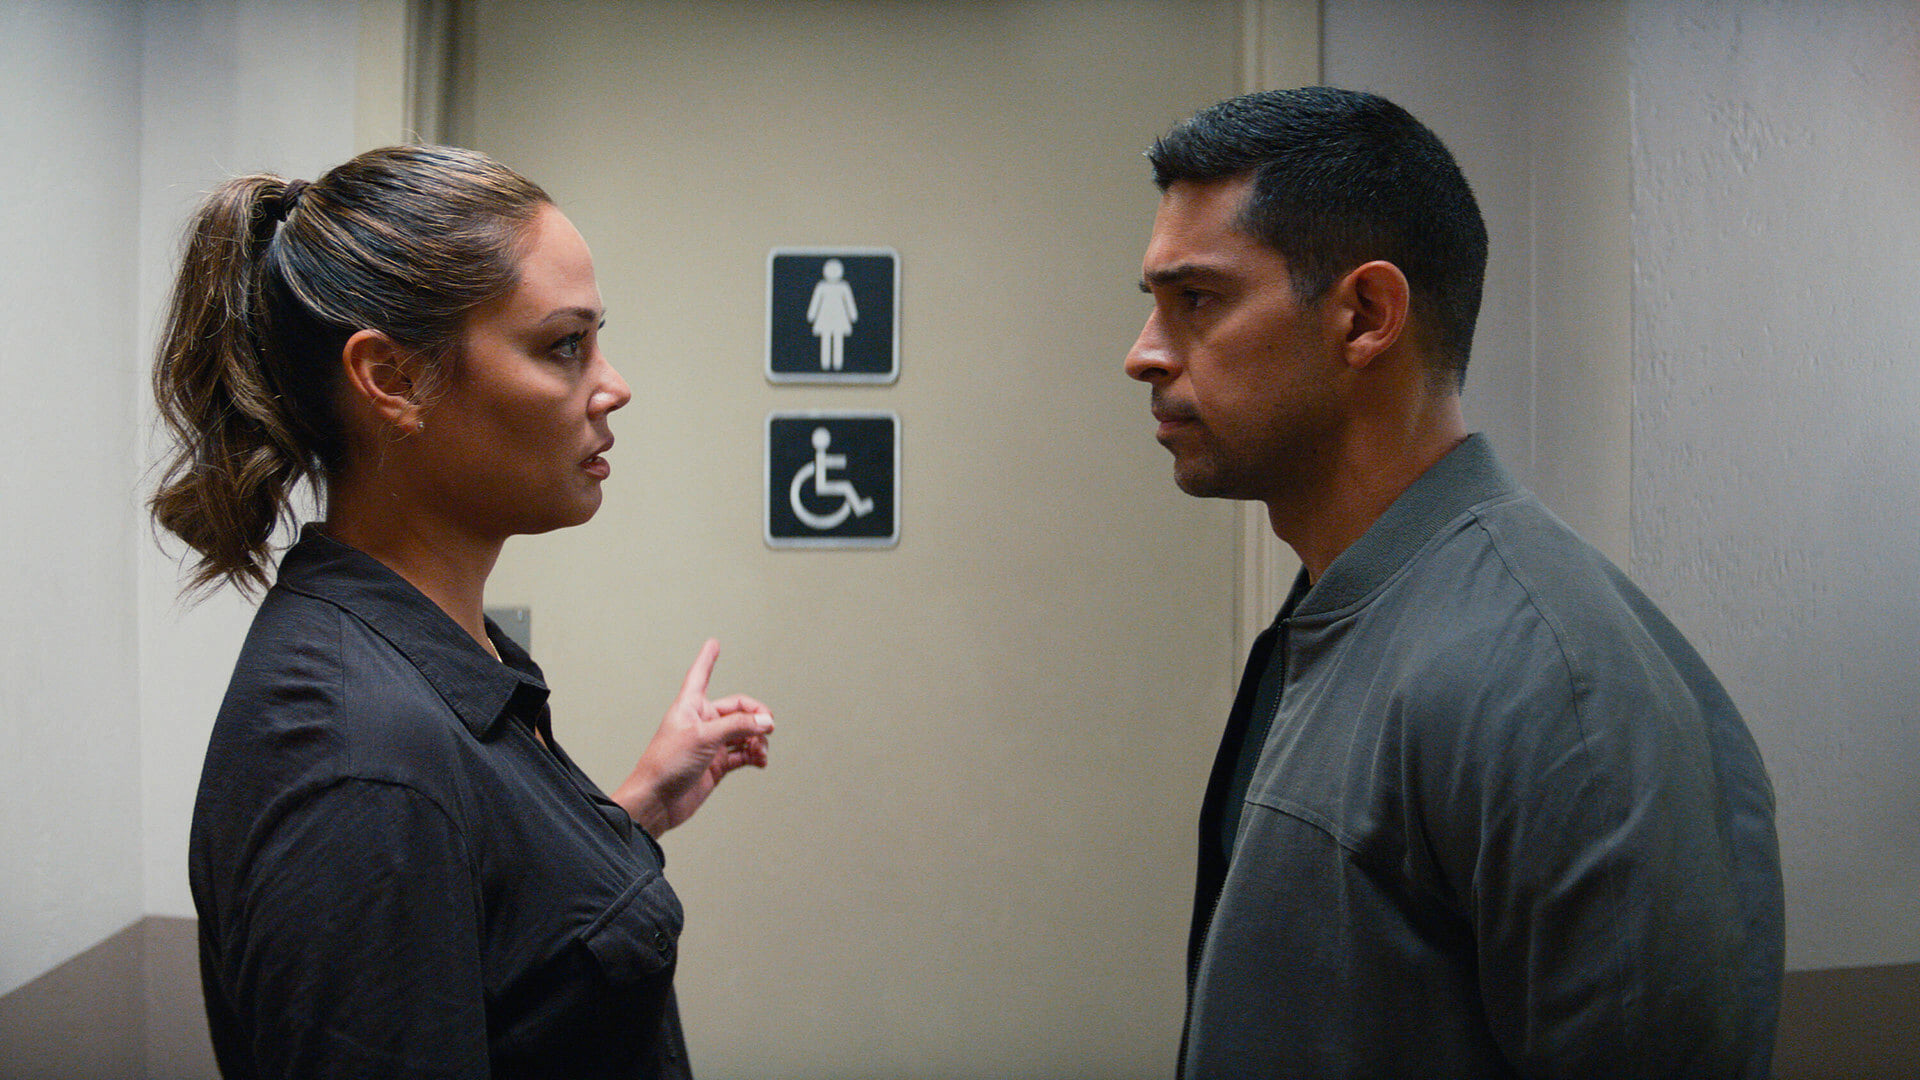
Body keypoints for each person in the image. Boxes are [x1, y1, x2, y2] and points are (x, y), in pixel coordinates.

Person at [1124, 87, 1784, 1079]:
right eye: (1154, 303)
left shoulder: (1556, 685)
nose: (1144, 354)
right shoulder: (1343, 613)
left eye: (1198, 301)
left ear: (1365, 316)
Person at [150, 144, 775, 1079]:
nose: (614, 385)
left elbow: (497, 963)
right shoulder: (355, 764)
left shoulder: (431, 666)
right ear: (393, 380)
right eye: (564, 345)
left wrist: (632, 808)